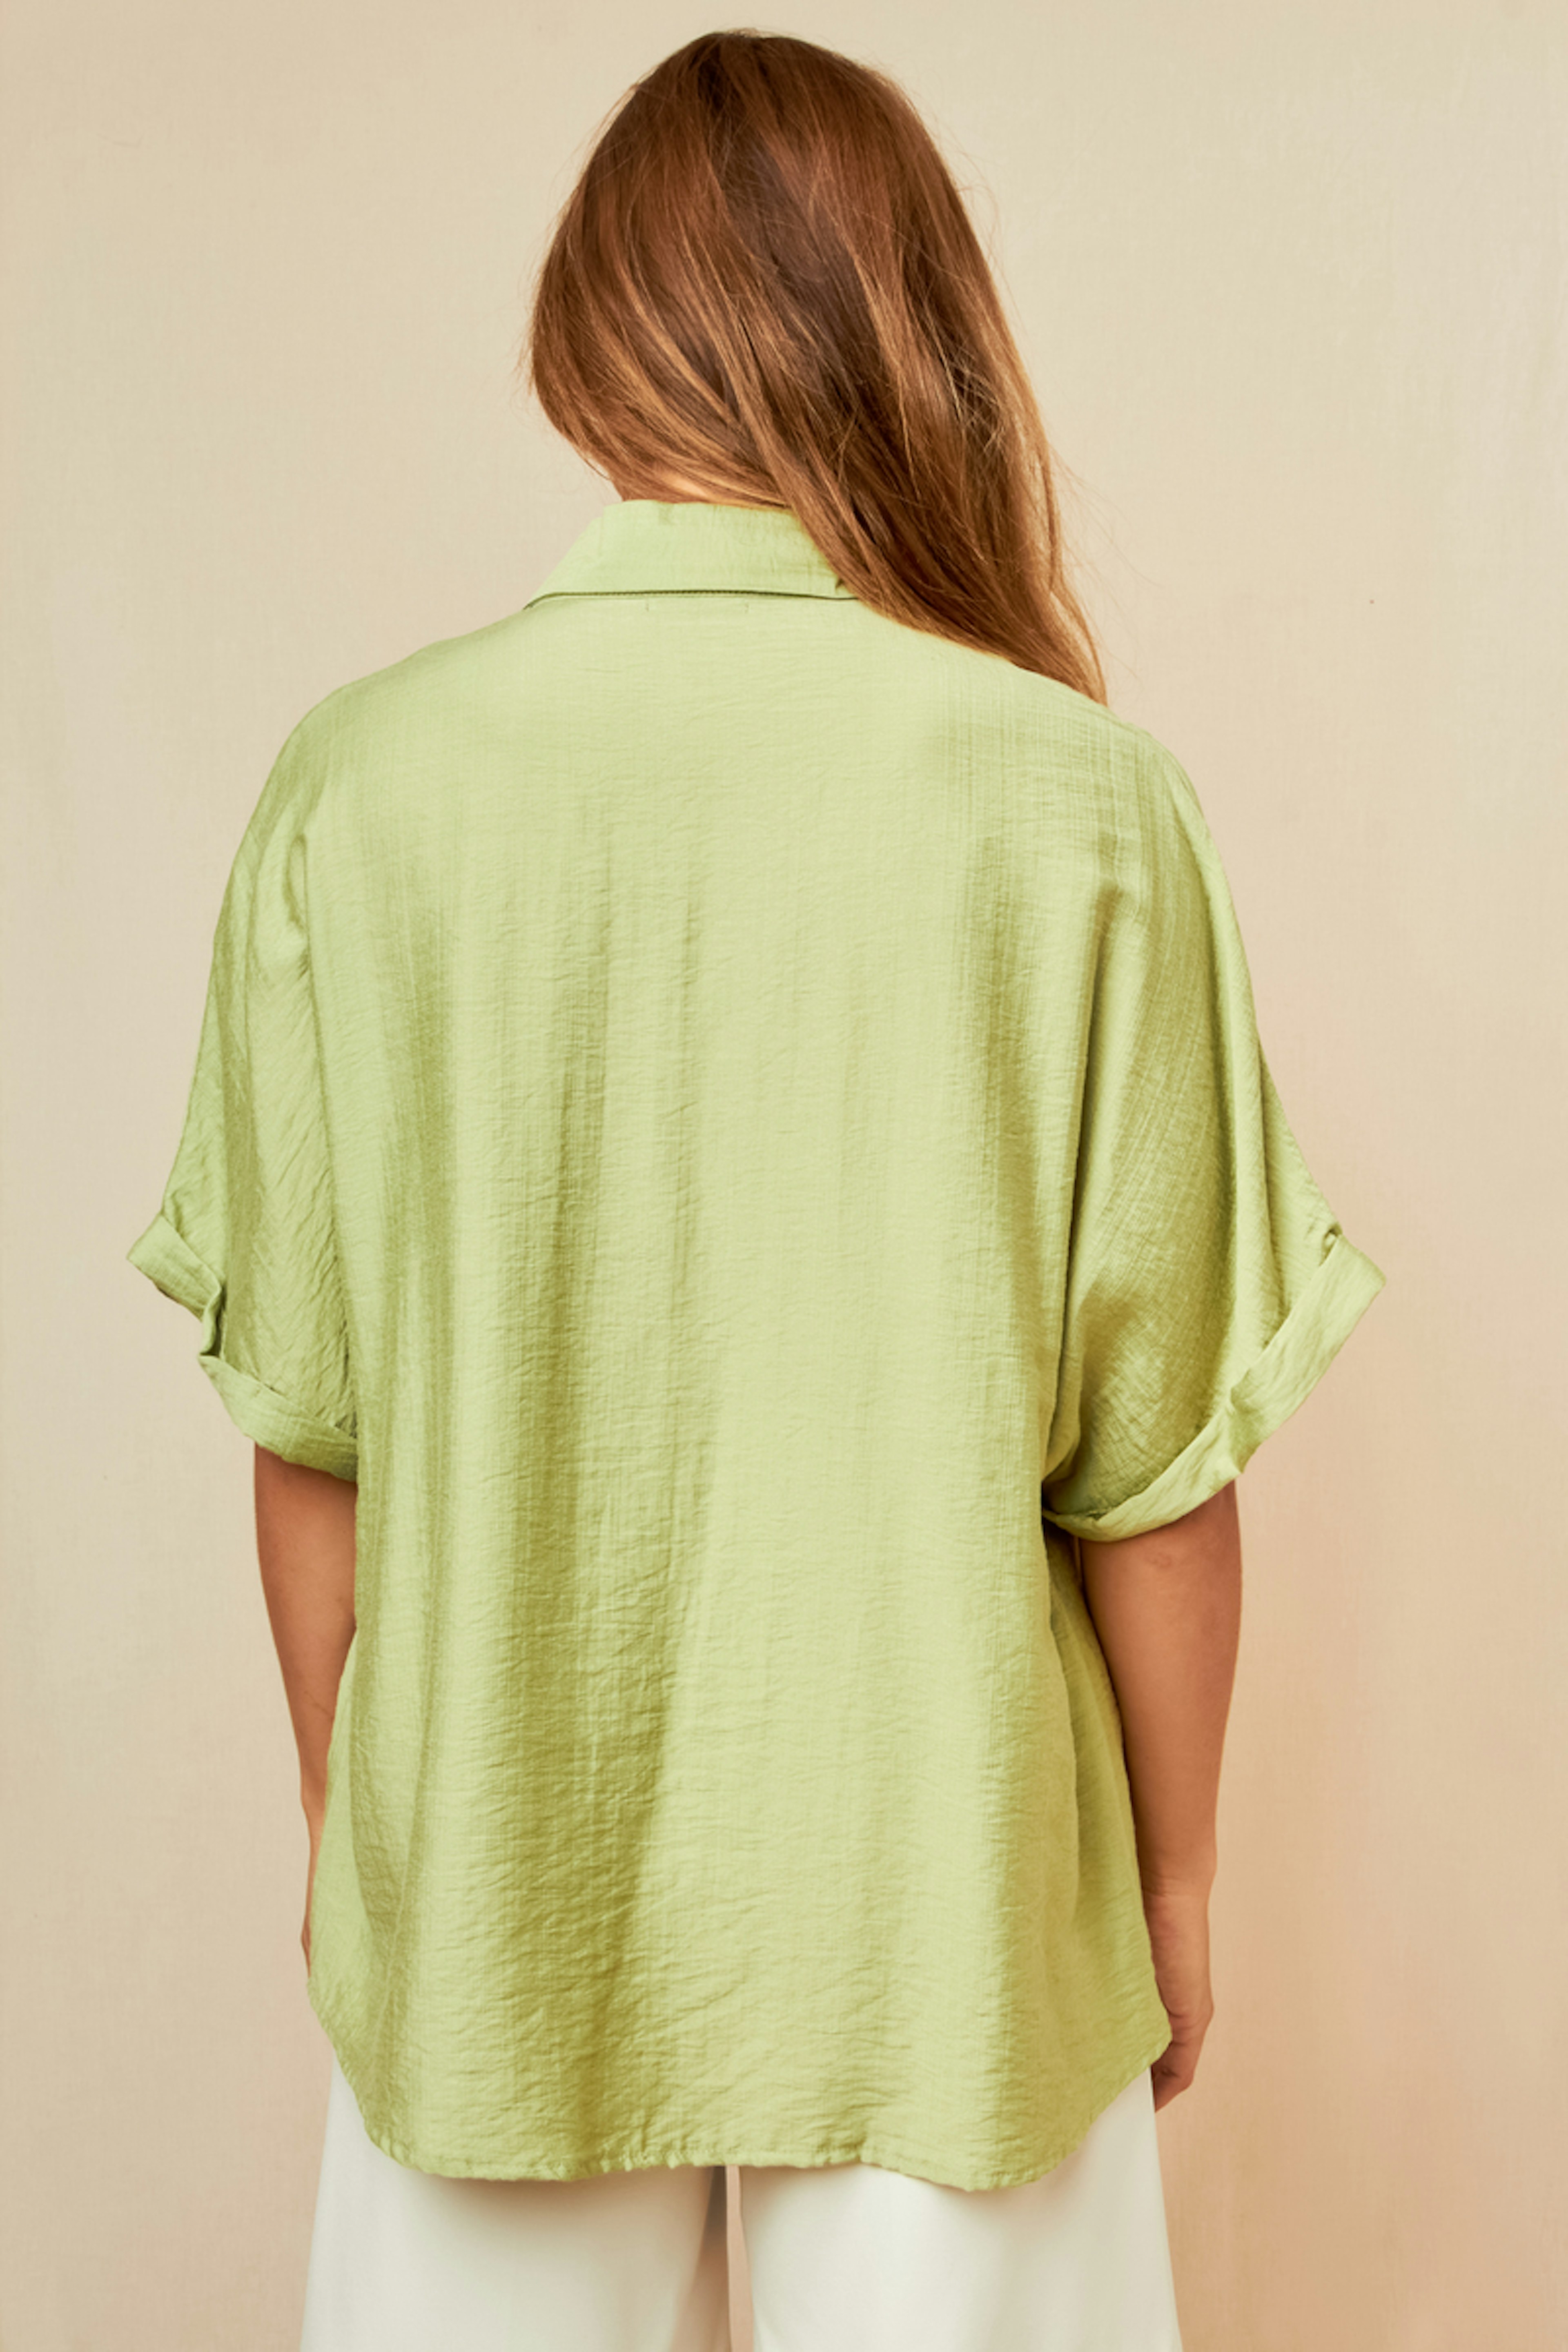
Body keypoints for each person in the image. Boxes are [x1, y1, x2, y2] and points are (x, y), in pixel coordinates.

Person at [125, 30, 1386, 2352]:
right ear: (917, 330)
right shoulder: (1084, 805)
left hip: (497, 1896)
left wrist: (353, 1837)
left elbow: (312, 1430)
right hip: (952, 1910)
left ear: (587, 337)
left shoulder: (360, 788)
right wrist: (1181, 1880)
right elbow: (1155, 1478)